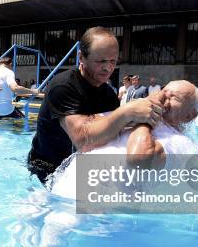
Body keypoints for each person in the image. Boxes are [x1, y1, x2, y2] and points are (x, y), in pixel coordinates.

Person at [14, 80, 198, 247]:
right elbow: (85, 133)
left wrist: (143, 122)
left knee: (58, 226)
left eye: (174, 97)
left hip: (95, 203)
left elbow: (140, 158)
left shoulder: (181, 144)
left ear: (189, 115)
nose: (163, 98)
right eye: (163, 91)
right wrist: (127, 114)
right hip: (64, 190)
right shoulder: (132, 116)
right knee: (28, 211)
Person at [27, 27, 162, 184]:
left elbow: (114, 132)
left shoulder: (109, 95)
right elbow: (83, 140)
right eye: (101, 61)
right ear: (81, 57)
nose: (108, 68)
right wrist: (126, 112)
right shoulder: (63, 86)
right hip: (45, 168)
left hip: (76, 166)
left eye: (113, 61)